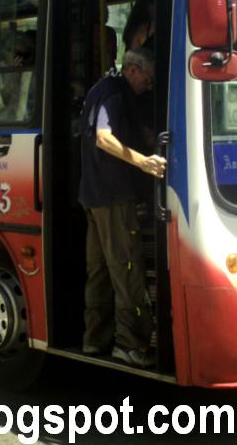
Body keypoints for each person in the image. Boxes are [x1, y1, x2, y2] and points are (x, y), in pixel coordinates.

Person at [78, 48, 166, 368]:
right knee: (127, 269)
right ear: (132, 70)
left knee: (99, 272)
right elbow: (104, 138)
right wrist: (144, 162)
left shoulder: (101, 89)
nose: (149, 86)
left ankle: (94, 339)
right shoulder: (114, 94)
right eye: (148, 79)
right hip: (113, 196)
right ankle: (130, 345)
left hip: (93, 196)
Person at [0, 31, 35, 122]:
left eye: (25, 55)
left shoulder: (31, 72)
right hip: (1, 127)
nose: (21, 59)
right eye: (18, 54)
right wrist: (14, 76)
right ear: (4, 52)